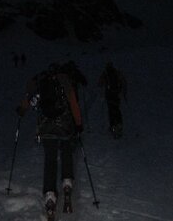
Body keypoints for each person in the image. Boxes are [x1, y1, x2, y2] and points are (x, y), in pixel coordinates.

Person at [16, 63, 83, 218]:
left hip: (46, 127)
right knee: (66, 152)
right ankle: (67, 184)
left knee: (50, 160)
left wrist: (21, 110)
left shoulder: (40, 80)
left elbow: (27, 98)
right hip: (65, 126)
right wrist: (78, 124)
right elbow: (73, 103)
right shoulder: (64, 80)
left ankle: (50, 196)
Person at [98, 61, 127, 139]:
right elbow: (123, 81)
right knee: (117, 109)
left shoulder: (105, 73)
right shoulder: (117, 72)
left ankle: (113, 127)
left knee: (111, 110)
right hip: (116, 94)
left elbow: (100, 83)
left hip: (109, 95)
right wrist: (123, 92)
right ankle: (119, 125)